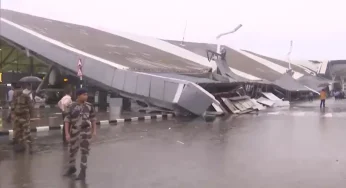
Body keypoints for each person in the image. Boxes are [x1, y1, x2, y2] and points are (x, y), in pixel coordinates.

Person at [64, 88, 97, 180]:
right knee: (72, 151)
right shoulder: (72, 106)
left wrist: (94, 131)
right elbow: (67, 120)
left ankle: (83, 172)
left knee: (84, 152)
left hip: (85, 132)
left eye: (86, 94)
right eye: (84, 94)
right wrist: (67, 133)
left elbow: (93, 119)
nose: (86, 96)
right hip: (74, 131)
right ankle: (72, 168)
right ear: (78, 96)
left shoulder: (89, 106)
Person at [11, 82, 34, 152]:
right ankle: (21, 147)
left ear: (21, 89)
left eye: (18, 89)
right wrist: (12, 115)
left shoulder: (26, 96)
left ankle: (30, 147)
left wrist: (31, 116)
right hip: (17, 117)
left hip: (25, 117)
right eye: (16, 90)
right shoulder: (14, 96)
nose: (17, 91)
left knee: (27, 133)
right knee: (18, 133)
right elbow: (12, 106)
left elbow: (31, 107)